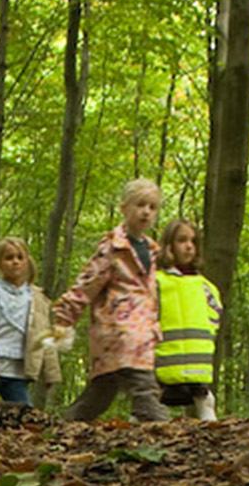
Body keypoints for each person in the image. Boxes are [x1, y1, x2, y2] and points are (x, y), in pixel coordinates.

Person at [50, 178, 168, 422]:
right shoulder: (113, 249)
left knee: (101, 391)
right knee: (144, 386)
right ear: (124, 208)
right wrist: (64, 317)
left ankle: (66, 425)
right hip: (118, 330)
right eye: (140, 205)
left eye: (152, 207)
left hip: (144, 332)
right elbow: (87, 284)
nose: (146, 212)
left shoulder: (154, 251)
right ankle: (161, 428)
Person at [0, 237, 59, 407]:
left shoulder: (37, 299)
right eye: (9, 258)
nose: (15, 262)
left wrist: (51, 373)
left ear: (27, 262)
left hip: (18, 369)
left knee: (25, 414)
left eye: (20, 257)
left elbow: (45, 336)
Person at [154, 218, 221, 420]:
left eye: (193, 241)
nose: (189, 246)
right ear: (169, 245)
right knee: (148, 407)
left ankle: (216, 441)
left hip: (197, 365)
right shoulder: (157, 282)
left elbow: (215, 316)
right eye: (182, 240)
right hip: (162, 363)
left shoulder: (205, 287)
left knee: (206, 403)